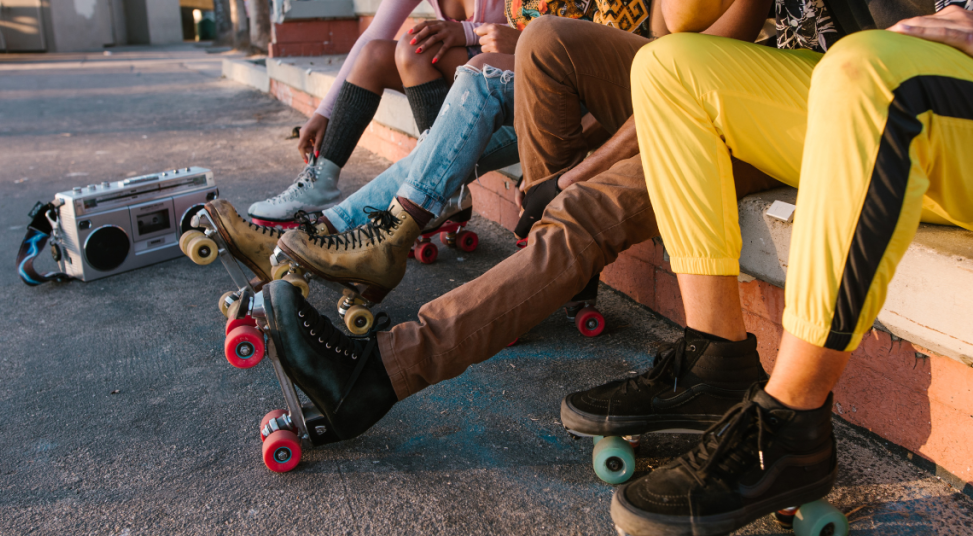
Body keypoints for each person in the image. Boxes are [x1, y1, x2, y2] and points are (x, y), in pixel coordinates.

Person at [257, 2, 779, 445]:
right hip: (707, 85)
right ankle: (546, 267)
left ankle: (377, 373)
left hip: (770, 108)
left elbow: (682, 77)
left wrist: (574, 178)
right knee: (546, 40)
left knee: (581, 206)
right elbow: (668, 47)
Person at [597, 1, 973, 534]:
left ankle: (791, 425)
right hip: (863, 92)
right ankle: (715, 364)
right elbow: (682, 19)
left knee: (864, 69)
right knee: (668, 66)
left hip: (929, 88)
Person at [247, 0, 511, 226]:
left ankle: (445, 189)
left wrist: (466, 31)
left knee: (415, 45)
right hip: (465, 75)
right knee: (374, 54)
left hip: (504, 77)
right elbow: (373, 34)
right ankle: (320, 184)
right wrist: (324, 113)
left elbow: (536, 28)